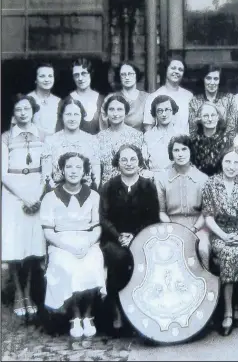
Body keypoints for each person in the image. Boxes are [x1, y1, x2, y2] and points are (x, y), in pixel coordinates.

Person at [40, 152, 105, 338]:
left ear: (85, 171)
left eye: (78, 167)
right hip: (61, 243)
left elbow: (97, 227)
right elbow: (48, 232)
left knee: (92, 265)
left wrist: (88, 243)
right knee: (67, 266)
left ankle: (88, 315)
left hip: (87, 240)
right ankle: (75, 316)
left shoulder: (93, 195)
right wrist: (68, 247)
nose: (73, 171)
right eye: (69, 167)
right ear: (62, 170)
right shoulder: (51, 197)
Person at [99, 144, 160, 331]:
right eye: (124, 159)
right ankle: (118, 310)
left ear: (139, 162)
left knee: (144, 258)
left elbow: (153, 216)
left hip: (141, 236)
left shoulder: (148, 186)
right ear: (117, 163)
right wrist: (119, 236)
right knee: (118, 258)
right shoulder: (109, 186)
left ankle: (140, 310)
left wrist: (134, 236)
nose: (128, 163)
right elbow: (103, 217)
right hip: (114, 238)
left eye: (133, 159)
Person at [2, 94, 51, 318]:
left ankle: (30, 292)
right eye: (18, 109)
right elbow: (3, 173)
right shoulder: (5, 138)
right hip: (14, 192)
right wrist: (23, 197)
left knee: (34, 245)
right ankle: (18, 294)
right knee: (14, 246)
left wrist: (38, 197)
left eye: (26, 109)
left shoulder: (43, 135)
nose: (23, 113)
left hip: (36, 191)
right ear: (14, 113)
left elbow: (47, 171)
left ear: (33, 111)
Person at [202, 146, 238, 337]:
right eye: (227, 161)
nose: (231, 166)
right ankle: (228, 311)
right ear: (221, 162)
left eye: (236, 162)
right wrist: (223, 236)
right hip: (219, 232)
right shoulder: (211, 183)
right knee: (228, 254)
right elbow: (208, 216)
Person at [155, 135, 210, 269]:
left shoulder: (203, 179)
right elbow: (161, 211)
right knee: (167, 251)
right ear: (171, 153)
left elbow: (206, 212)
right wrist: (173, 229)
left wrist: (194, 229)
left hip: (197, 226)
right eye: (176, 150)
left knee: (202, 248)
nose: (180, 154)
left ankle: (204, 285)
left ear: (191, 151)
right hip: (171, 225)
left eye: (184, 149)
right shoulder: (161, 178)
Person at [45, 97, 101, 187]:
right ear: (61, 116)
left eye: (76, 114)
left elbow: (96, 176)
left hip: (86, 193)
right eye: (68, 114)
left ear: (81, 116)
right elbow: (46, 176)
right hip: (57, 193)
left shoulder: (92, 140)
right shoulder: (51, 141)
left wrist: (91, 194)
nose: (72, 118)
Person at [97, 95, 143, 187]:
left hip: (131, 187)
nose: (115, 113)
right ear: (106, 112)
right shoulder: (98, 138)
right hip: (107, 189)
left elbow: (141, 166)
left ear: (126, 112)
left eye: (119, 109)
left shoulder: (137, 136)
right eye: (111, 109)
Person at [143, 56, 192, 134]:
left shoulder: (189, 96)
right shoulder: (154, 97)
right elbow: (148, 129)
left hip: (183, 144)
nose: (176, 71)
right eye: (173, 68)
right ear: (166, 70)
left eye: (180, 69)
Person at [188, 64, 237, 140]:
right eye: (208, 78)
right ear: (203, 79)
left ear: (220, 80)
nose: (212, 82)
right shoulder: (194, 101)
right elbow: (192, 130)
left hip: (225, 145)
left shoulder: (229, 99)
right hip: (200, 145)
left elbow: (232, 129)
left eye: (216, 79)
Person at [59, 58, 104, 135]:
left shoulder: (102, 100)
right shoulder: (66, 101)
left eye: (84, 74)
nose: (80, 78)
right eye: (76, 75)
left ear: (90, 74)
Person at [100, 62, 149, 132]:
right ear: (119, 77)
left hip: (140, 140)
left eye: (130, 74)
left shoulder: (147, 98)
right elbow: (103, 128)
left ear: (136, 75)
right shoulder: (110, 99)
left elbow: (150, 128)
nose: (127, 77)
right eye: (123, 74)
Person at [190, 102, 234, 177]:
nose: (210, 119)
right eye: (206, 116)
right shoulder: (193, 141)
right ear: (199, 119)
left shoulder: (227, 141)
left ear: (218, 117)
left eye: (213, 115)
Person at [142, 95, 178, 174]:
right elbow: (143, 163)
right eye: (159, 111)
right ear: (155, 114)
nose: (164, 114)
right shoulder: (148, 136)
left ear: (173, 111)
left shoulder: (180, 135)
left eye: (167, 110)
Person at [28, 62, 61, 135]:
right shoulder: (26, 100)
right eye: (42, 76)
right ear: (35, 79)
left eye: (50, 76)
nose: (47, 80)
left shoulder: (59, 101)